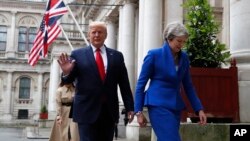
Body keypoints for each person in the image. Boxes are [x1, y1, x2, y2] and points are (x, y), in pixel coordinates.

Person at [57, 21, 134, 141]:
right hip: (86, 110)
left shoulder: (117, 56)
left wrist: (130, 107)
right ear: (89, 35)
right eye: (94, 32)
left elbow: (124, 84)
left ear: (106, 35)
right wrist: (67, 72)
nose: (97, 35)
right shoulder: (77, 55)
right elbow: (69, 80)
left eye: (100, 32)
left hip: (109, 112)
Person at [134, 22, 207, 141]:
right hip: (158, 105)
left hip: (175, 107)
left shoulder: (184, 57)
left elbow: (188, 86)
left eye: (184, 42)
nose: (182, 45)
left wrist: (199, 109)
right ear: (169, 38)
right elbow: (140, 84)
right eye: (179, 41)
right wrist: (138, 111)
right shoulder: (154, 55)